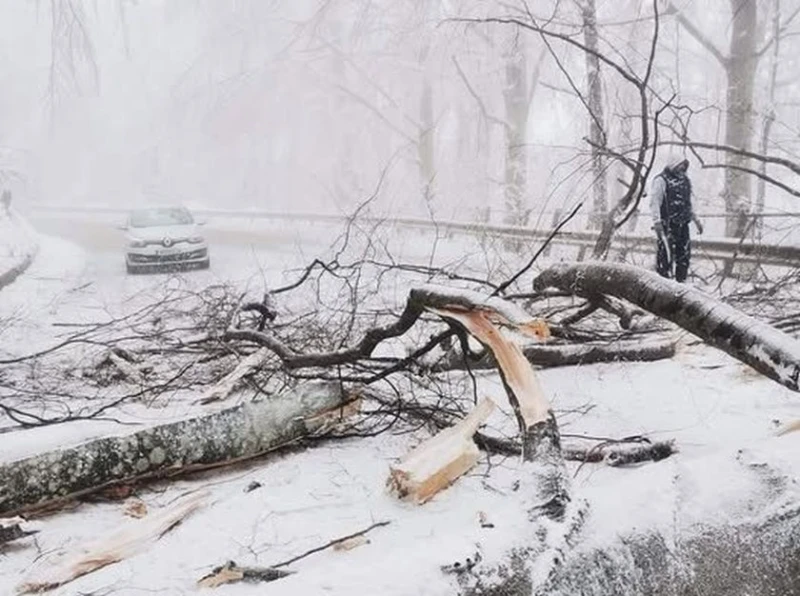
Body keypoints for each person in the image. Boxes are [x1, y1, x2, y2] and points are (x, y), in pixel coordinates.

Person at [649, 158, 703, 282]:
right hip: (667, 225)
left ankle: (681, 285)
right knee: (665, 258)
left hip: (683, 224)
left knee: (683, 256)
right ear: (673, 165)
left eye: (684, 167)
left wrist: (696, 220)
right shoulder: (661, 180)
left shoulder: (685, 181)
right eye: (679, 166)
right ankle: (663, 286)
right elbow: (655, 202)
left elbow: (688, 203)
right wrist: (657, 221)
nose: (682, 169)